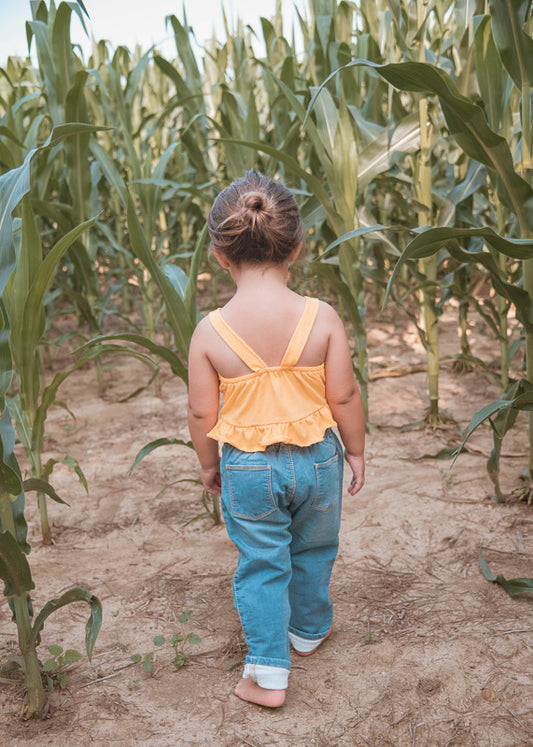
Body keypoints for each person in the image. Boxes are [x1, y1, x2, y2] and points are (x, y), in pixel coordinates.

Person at [187, 171, 365, 708]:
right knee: (315, 547)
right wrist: (354, 450)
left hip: (248, 468)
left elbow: (201, 411)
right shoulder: (321, 317)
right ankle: (308, 631)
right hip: (320, 462)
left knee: (263, 565)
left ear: (220, 255)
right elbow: (347, 396)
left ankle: (267, 677)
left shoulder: (210, 331)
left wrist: (208, 464)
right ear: (298, 247)